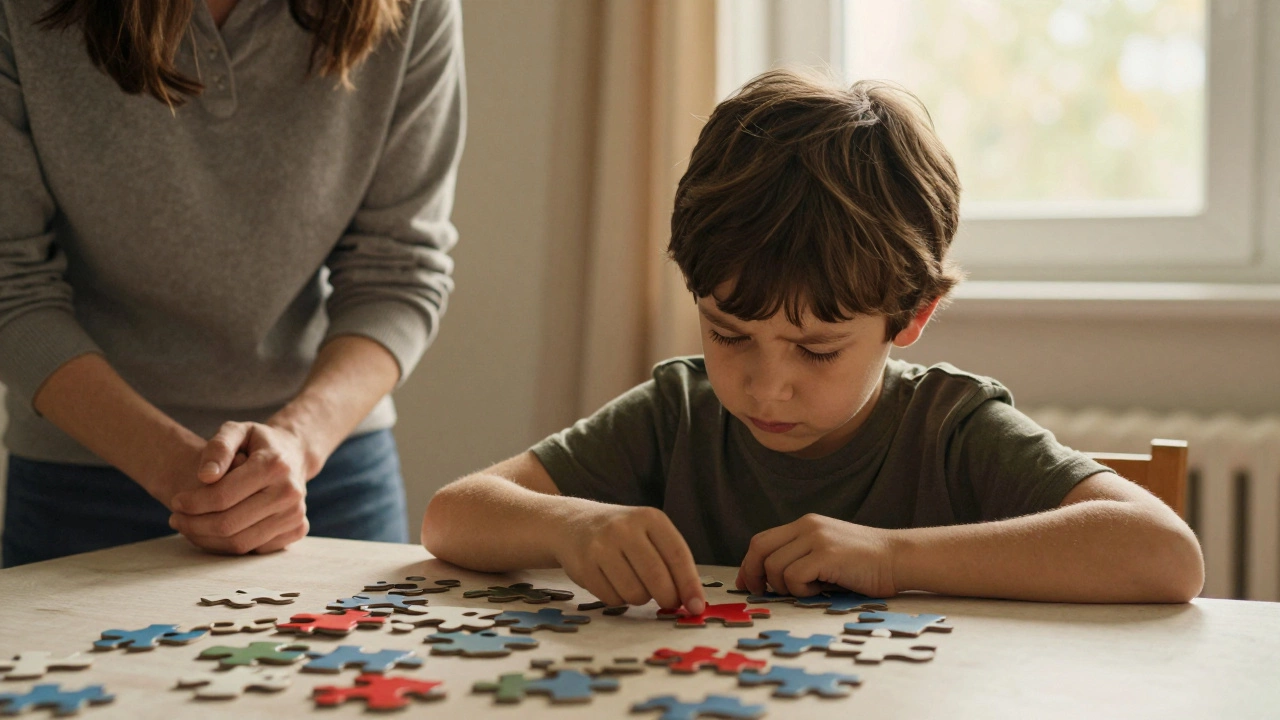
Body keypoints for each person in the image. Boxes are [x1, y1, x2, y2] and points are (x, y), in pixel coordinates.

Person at [421, 69, 1204, 612]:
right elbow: (450, 517)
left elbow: (1164, 553)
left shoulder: (949, 428)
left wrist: (894, 558)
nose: (766, 385)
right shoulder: (678, 413)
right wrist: (569, 526)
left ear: (911, 317)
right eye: (729, 332)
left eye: (818, 349)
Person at [0, 0, 464, 567]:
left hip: (328, 470)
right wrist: (185, 469)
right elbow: (11, 280)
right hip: (81, 476)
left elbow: (398, 268)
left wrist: (296, 444)